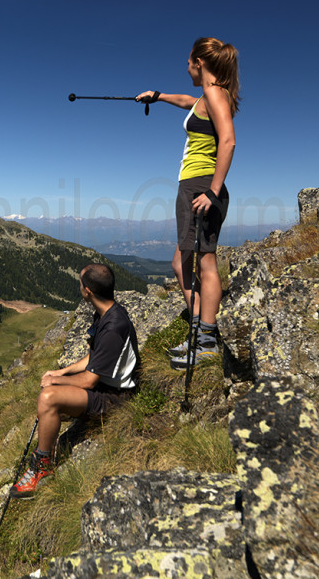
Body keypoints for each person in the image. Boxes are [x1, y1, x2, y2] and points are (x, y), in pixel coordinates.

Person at [136, 37, 240, 369]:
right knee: (181, 263)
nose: (186, 67)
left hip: (201, 187)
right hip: (194, 187)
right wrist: (159, 95)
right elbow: (186, 101)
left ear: (199, 62)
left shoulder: (215, 94)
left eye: (188, 62)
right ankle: (200, 332)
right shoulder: (207, 96)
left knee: (204, 263)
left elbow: (228, 139)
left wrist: (212, 190)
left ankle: (206, 341)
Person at [12, 263, 139, 497]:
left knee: (49, 397)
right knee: (53, 389)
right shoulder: (108, 313)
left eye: (80, 283)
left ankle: (42, 468)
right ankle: (44, 455)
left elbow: (89, 381)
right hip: (107, 387)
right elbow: (96, 357)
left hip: (116, 399)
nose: (79, 286)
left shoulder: (112, 327)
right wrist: (61, 373)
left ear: (88, 291)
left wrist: (56, 383)